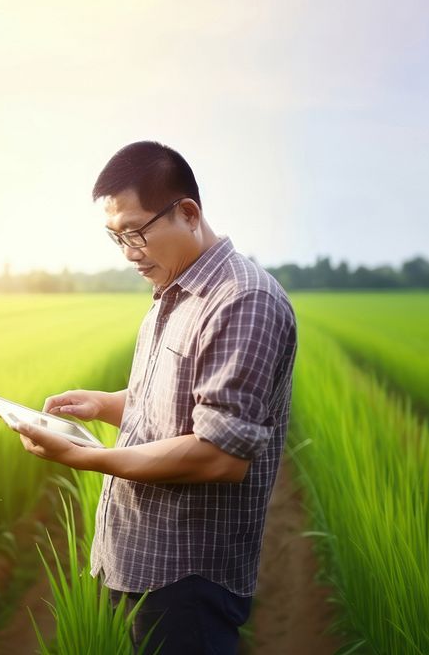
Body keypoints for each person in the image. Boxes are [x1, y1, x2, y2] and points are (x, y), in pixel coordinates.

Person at [17, 140, 298, 654]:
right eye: (115, 237)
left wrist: (90, 458)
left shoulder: (244, 301)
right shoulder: (174, 292)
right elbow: (174, 406)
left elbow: (219, 456)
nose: (128, 253)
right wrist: (103, 404)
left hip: (184, 578)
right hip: (133, 557)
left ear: (187, 213)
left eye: (136, 233)